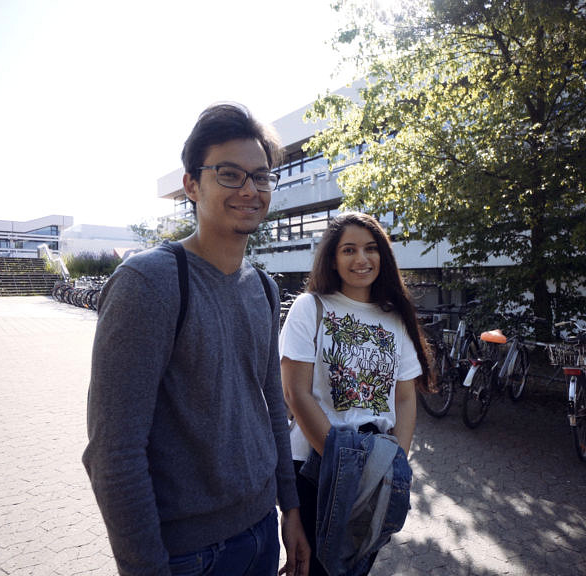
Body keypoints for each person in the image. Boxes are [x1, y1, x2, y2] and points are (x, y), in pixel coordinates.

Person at [82, 103, 309, 576]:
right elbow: (114, 452)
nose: (249, 189)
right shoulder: (149, 283)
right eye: (229, 174)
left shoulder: (264, 288)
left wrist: (290, 509)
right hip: (188, 555)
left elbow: (271, 407)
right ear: (191, 184)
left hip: (263, 532)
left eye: (261, 177)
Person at [279, 211, 432, 576]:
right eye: (349, 250)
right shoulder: (310, 307)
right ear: (332, 257)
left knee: (356, 568)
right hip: (317, 467)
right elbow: (295, 393)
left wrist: (395, 461)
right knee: (313, 569)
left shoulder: (394, 317)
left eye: (370, 249)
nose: (361, 260)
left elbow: (405, 397)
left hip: (374, 465)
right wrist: (342, 463)